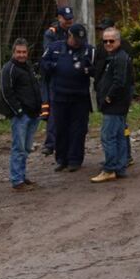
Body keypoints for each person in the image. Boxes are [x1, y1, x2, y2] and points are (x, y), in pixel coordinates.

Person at [41, 23, 95, 173]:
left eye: (80, 40)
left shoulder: (88, 50)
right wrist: (53, 66)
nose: (77, 42)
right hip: (59, 96)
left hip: (80, 98)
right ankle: (61, 159)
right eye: (75, 39)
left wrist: (87, 70)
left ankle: (75, 159)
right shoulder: (55, 48)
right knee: (60, 128)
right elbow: (43, 63)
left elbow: (97, 68)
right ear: (69, 36)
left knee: (78, 130)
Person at [92, 27, 134, 183]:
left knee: (109, 136)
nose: (108, 43)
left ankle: (110, 168)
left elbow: (120, 81)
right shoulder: (114, 56)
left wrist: (108, 97)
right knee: (119, 136)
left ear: (118, 41)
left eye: (111, 40)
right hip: (117, 104)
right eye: (105, 41)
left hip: (115, 105)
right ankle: (119, 167)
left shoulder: (120, 58)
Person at [1, 38, 42, 191]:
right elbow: (6, 93)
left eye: (24, 52)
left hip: (33, 114)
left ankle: (22, 176)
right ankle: (17, 180)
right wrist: (18, 111)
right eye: (18, 52)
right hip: (21, 116)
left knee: (26, 148)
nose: (21, 55)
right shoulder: (9, 69)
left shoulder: (28, 67)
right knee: (18, 148)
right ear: (13, 52)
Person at [40, 6, 75, 156]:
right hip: (54, 75)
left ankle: (67, 142)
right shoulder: (51, 33)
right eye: (66, 19)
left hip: (69, 75)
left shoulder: (73, 32)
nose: (68, 21)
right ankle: (50, 143)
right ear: (59, 18)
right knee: (53, 110)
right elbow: (50, 53)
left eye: (70, 19)